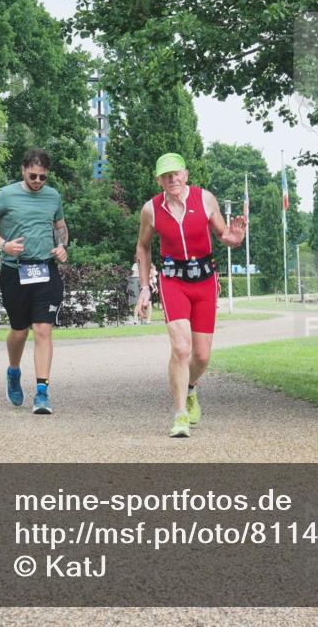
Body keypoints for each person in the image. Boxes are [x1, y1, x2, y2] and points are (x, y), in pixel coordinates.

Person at [134, 152, 246, 437]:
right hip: (173, 281)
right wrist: (145, 287)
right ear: (159, 180)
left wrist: (234, 239)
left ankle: (191, 387)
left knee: (202, 356)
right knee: (181, 348)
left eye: (176, 173)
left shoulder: (205, 199)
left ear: (185, 175)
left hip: (205, 281)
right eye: (166, 175)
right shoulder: (151, 209)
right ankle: (180, 414)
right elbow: (143, 246)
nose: (172, 179)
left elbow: (223, 234)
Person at [0, 149, 69, 415]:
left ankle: (42, 393)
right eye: (33, 176)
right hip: (15, 272)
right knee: (19, 331)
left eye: (42, 177)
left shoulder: (53, 196)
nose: (38, 181)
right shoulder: (6, 195)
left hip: (46, 270)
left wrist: (62, 246)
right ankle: (14, 371)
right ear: (23, 170)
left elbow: (61, 228)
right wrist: (3, 244)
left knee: (43, 329)